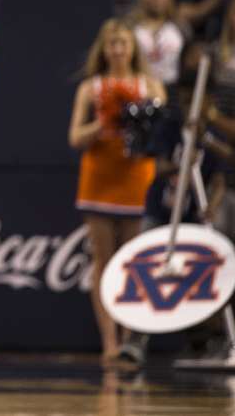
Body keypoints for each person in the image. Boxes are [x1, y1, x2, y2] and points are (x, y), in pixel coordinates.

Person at [67, 19, 167, 364]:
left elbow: (162, 134)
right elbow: (75, 138)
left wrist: (137, 119)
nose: (119, 50)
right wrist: (104, 121)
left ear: (133, 48)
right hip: (99, 178)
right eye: (112, 44)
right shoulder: (91, 88)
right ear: (104, 49)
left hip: (138, 178)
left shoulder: (150, 84)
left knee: (134, 262)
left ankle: (130, 337)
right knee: (103, 261)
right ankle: (109, 340)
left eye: (124, 43)